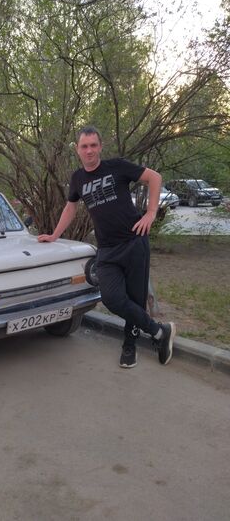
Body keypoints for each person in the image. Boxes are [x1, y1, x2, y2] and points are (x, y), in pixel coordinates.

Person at [38, 125, 175, 368]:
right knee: (112, 298)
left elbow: (154, 178)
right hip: (107, 250)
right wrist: (55, 235)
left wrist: (151, 212)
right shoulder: (78, 179)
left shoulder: (117, 166)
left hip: (134, 242)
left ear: (100, 147)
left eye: (93, 145)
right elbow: (71, 206)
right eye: (84, 146)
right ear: (77, 150)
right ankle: (159, 332)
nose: (89, 150)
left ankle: (129, 345)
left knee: (135, 298)